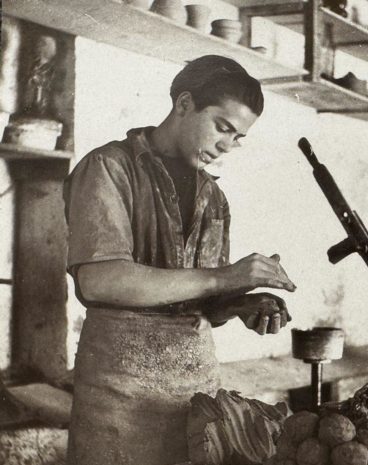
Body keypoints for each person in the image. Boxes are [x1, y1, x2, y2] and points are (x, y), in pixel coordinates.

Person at [63, 55, 297, 465]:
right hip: (121, 398)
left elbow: (201, 301)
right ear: (184, 104)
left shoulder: (215, 198)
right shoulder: (109, 167)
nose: (227, 145)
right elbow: (101, 280)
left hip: (197, 399)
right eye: (222, 127)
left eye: (238, 137)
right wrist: (224, 277)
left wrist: (240, 304)